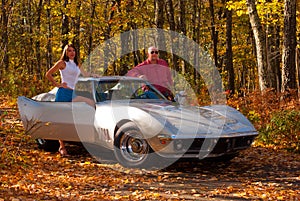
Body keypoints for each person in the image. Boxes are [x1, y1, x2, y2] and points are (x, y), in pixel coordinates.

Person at [46, 44, 98, 156]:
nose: (72, 52)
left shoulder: (77, 64)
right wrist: (58, 84)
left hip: (74, 93)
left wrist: (96, 76)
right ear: (65, 52)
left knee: (90, 103)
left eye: (74, 50)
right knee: (61, 120)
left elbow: (86, 75)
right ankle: (62, 146)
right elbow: (48, 74)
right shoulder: (62, 63)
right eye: (69, 50)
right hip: (64, 93)